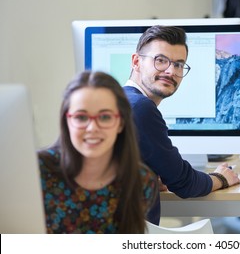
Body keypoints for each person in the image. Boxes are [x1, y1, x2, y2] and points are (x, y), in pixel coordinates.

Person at [123, 25, 240, 224]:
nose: (171, 71)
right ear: (136, 62)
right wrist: (221, 178)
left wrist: (150, 177)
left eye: (179, 64)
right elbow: (185, 183)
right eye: (161, 60)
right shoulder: (141, 108)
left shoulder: (123, 100)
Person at [38, 71, 158, 234]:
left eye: (105, 117)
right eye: (81, 117)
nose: (92, 128)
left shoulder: (141, 181)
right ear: (67, 122)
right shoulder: (38, 172)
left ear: (121, 123)